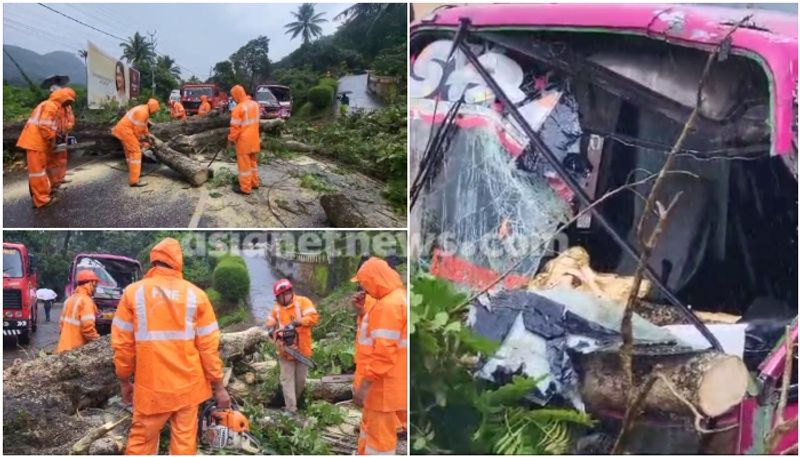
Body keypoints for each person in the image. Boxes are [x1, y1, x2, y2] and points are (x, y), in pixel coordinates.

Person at [111, 237, 230, 454]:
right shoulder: (196, 295)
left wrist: (124, 380)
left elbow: (123, 346)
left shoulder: (133, 293)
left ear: (154, 261)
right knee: (184, 446)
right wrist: (219, 385)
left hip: (152, 388)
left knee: (141, 445)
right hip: (188, 387)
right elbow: (209, 348)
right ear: (178, 262)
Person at [351, 257, 408, 455]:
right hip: (388, 383)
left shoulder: (388, 306)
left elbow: (383, 354)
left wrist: (364, 386)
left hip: (381, 387)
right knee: (371, 430)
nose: (364, 289)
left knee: (379, 441)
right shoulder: (397, 299)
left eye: (364, 283)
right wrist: (362, 313)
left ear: (374, 279)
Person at [265, 278, 319, 414]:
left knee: (300, 381)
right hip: (284, 349)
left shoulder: (303, 302)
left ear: (288, 293)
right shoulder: (277, 308)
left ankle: (295, 403)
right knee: (287, 380)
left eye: (281, 296)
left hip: (302, 348)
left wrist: (297, 323)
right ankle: (291, 409)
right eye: (277, 298)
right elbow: (270, 319)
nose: (279, 300)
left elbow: (313, 317)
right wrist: (270, 327)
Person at [16, 87, 76, 208]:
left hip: (40, 142)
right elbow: (45, 125)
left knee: (42, 170)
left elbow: (53, 126)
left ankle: (45, 192)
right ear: (63, 97)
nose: (69, 104)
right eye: (68, 100)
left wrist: (55, 137)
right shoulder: (51, 106)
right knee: (38, 173)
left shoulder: (56, 106)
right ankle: (41, 200)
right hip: (35, 142)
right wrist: (52, 138)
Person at [111, 98, 160, 188]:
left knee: (130, 153)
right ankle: (134, 181)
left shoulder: (143, 109)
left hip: (123, 130)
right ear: (153, 108)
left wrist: (148, 135)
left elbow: (143, 126)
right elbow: (137, 130)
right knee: (136, 152)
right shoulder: (143, 112)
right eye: (155, 110)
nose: (155, 112)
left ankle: (134, 174)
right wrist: (141, 142)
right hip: (126, 131)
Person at [227, 84, 261, 195]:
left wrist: (230, 140)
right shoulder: (255, 105)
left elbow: (235, 129)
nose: (233, 98)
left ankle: (245, 188)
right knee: (253, 163)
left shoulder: (238, 109)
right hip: (254, 140)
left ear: (236, 95)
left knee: (244, 166)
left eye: (233, 96)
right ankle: (254, 183)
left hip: (243, 142)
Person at [55, 270, 100, 353]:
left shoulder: (69, 300)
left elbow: (61, 326)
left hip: (62, 349)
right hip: (76, 350)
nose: (96, 289)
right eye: (95, 286)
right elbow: (88, 329)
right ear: (90, 283)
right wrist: (99, 342)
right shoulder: (86, 301)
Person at [49, 87, 77, 189]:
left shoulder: (68, 107)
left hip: (63, 133)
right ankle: (54, 180)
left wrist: (69, 126)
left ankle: (61, 177)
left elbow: (71, 118)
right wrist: (54, 135)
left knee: (62, 157)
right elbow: (51, 122)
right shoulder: (53, 106)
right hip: (55, 134)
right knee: (53, 159)